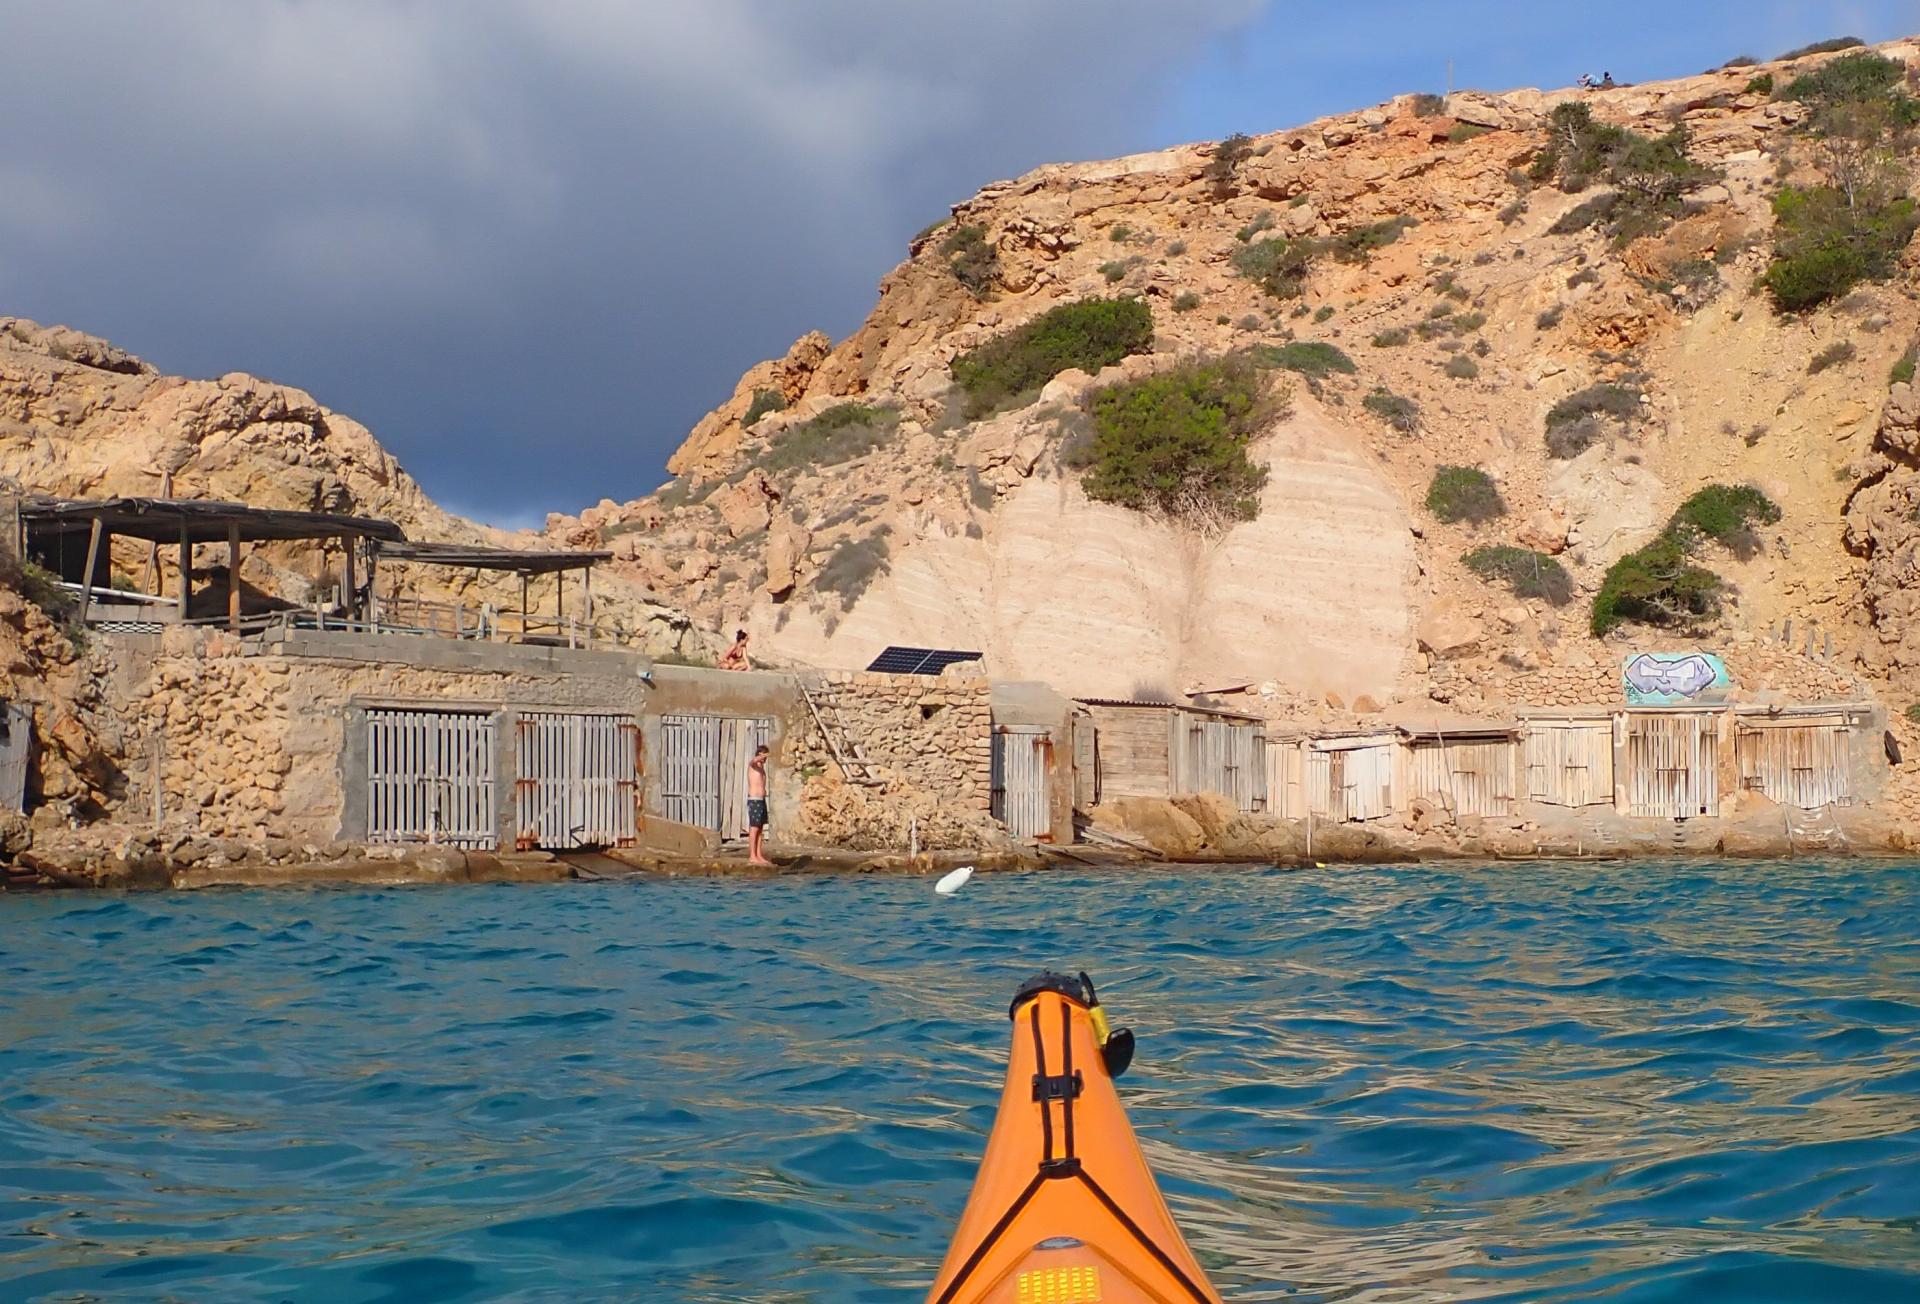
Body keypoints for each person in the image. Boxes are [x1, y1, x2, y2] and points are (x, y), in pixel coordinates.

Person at [746, 744, 773, 866]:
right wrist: (765, 754)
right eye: (763, 756)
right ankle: (752, 856)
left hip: (761, 800)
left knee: (760, 828)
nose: (765, 759)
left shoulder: (762, 769)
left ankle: (758, 855)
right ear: (759, 754)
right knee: (754, 828)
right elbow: (754, 760)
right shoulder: (753, 765)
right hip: (754, 800)